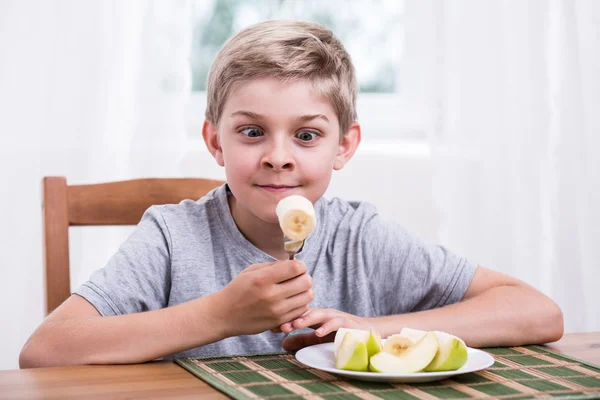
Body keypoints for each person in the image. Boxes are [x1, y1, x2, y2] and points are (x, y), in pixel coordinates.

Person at [19, 20, 563, 368]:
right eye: (252, 131)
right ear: (215, 141)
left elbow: (537, 312)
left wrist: (372, 327)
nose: (278, 156)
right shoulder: (171, 236)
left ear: (344, 146)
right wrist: (219, 316)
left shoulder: (360, 237)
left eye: (306, 135)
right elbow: (45, 350)